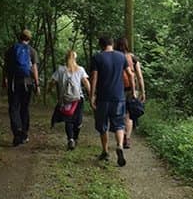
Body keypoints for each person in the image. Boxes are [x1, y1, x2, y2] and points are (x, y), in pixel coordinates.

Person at [89, 35, 133, 166]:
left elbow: (94, 78)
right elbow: (130, 74)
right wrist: (133, 90)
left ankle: (105, 151)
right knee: (119, 124)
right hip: (119, 97)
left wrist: (92, 96)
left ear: (101, 45)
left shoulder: (97, 57)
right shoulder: (121, 56)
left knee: (103, 126)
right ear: (112, 44)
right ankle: (119, 145)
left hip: (103, 98)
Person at [3, 29, 40, 146]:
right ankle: (24, 134)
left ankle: (17, 132)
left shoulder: (11, 50)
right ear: (29, 39)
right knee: (25, 107)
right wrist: (37, 84)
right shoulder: (32, 51)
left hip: (14, 82)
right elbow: (34, 69)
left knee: (14, 108)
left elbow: (6, 66)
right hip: (27, 83)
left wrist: (4, 79)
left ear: (20, 37)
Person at [48, 50, 91, 150]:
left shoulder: (60, 70)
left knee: (68, 120)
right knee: (78, 120)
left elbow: (52, 82)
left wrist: (49, 90)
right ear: (75, 58)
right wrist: (91, 94)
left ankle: (70, 139)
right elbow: (86, 82)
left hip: (65, 99)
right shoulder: (80, 69)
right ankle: (75, 138)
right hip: (78, 99)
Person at [115, 37, 145, 149]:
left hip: (117, 89)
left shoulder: (115, 58)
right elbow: (140, 77)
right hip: (131, 89)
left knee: (119, 115)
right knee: (129, 115)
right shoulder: (133, 58)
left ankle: (120, 140)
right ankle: (127, 139)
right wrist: (142, 91)